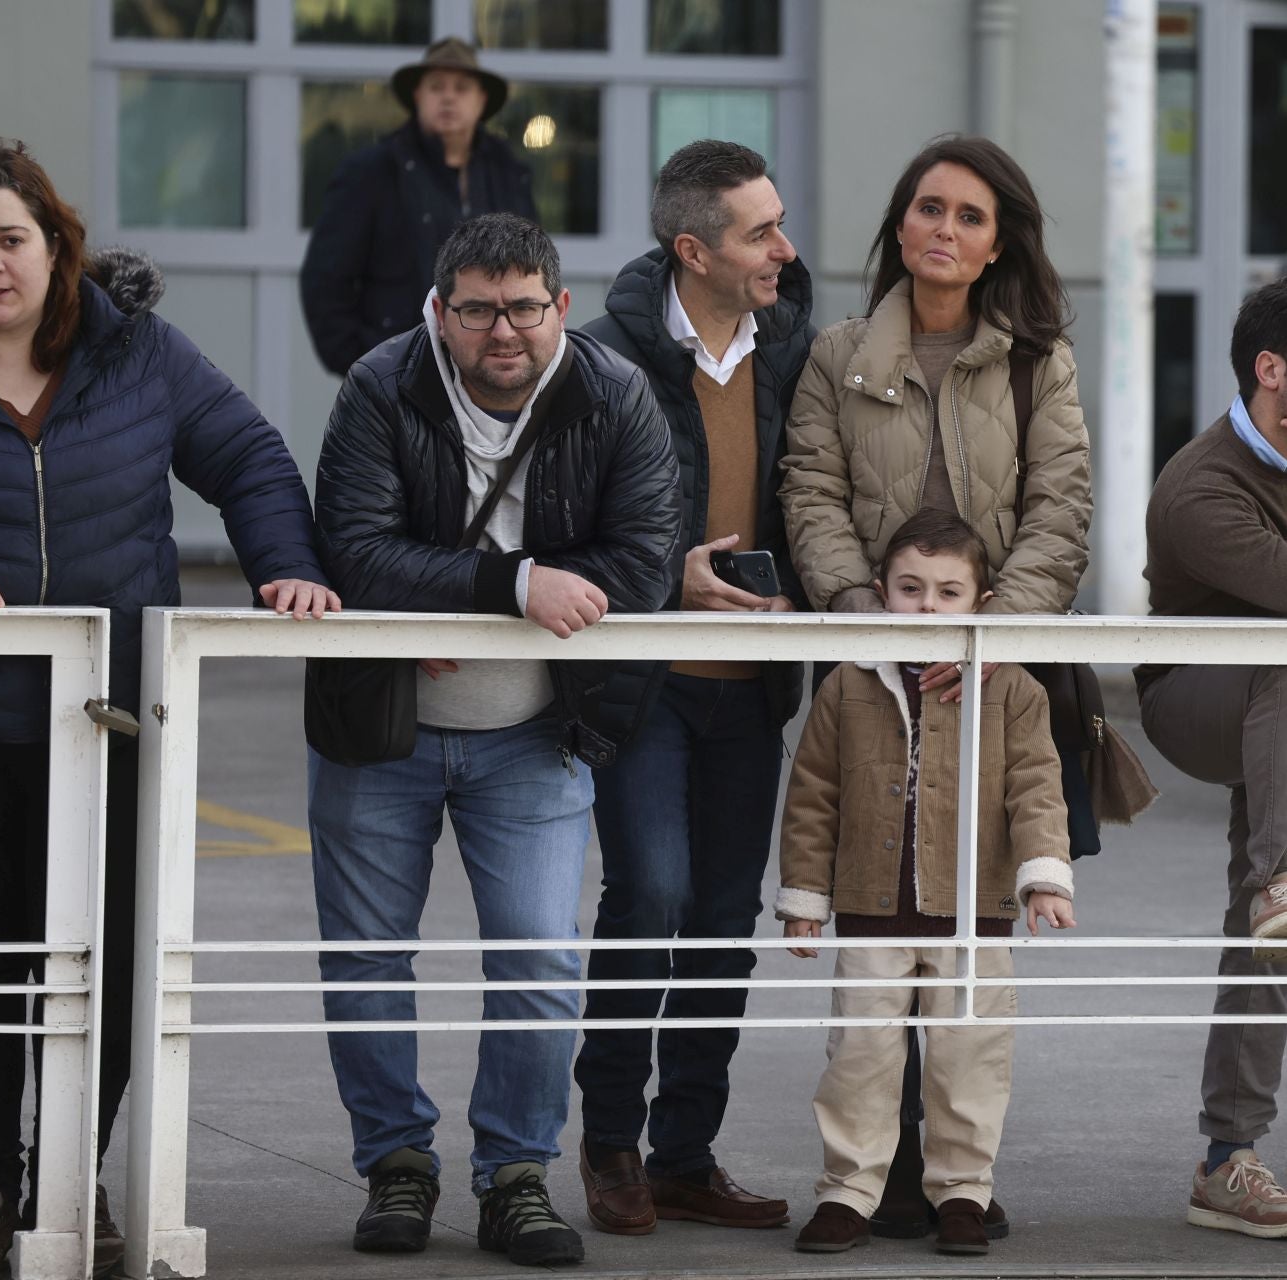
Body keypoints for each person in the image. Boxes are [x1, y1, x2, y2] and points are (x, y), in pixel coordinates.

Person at [0, 136, 336, 1280]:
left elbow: (251, 458)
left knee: (118, 974)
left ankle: (76, 1177)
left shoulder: (137, 356)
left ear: (54, 243)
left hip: (113, 722)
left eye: (8, 238)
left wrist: (285, 564)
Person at [305, 213, 680, 1267]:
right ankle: (397, 1165)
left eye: (523, 306)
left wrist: (471, 599)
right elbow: (357, 548)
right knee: (367, 959)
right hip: (379, 727)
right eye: (476, 309)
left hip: (534, 731)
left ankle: (517, 1173)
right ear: (440, 312)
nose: (501, 330)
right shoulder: (383, 384)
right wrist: (513, 583)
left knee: (538, 959)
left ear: (561, 307)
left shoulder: (614, 394)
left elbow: (646, 561)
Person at [779, 133, 1092, 1236]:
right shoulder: (837, 353)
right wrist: (863, 620)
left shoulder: (1034, 360)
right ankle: (871, 1175)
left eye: (969, 215)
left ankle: (956, 1178)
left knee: (969, 920)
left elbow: (1062, 507)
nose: (944, 230)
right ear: (899, 225)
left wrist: (996, 637)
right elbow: (809, 492)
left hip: (996, 670)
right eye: (928, 209)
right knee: (877, 919)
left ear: (999, 239)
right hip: (871, 658)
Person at [569, 140, 809, 1236]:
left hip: (753, 685)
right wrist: (666, 575)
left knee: (722, 919)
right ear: (693, 249)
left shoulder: (795, 346)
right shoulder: (603, 355)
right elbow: (563, 514)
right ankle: (611, 1140)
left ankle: (686, 1153)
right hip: (647, 677)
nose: (785, 248)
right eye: (762, 232)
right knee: (651, 898)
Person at [1135, 262, 1287, 1241]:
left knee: (1276, 929)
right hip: (1194, 706)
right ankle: (1283, 871)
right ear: (1270, 368)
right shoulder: (1201, 485)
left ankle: (1227, 1156)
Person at [775, 509, 1076, 1257]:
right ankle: (848, 1191)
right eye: (910, 589)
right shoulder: (847, 684)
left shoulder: (1011, 690)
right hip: (872, 911)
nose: (928, 607)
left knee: (969, 1056)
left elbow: (1037, 787)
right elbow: (813, 795)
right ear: (882, 592)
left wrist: (1044, 877)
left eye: (948, 591)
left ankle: (963, 1192)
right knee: (861, 1056)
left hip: (975, 912)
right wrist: (804, 898)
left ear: (981, 598)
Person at [300, 37, 536, 376]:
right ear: (418, 96)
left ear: (482, 100)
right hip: (399, 376)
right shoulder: (374, 171)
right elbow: (325, 278)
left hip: (490, 375)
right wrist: (366, 363)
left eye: (462, 87)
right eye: (436, 86)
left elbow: (532, 273)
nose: (449, 97)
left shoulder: (508, 174)